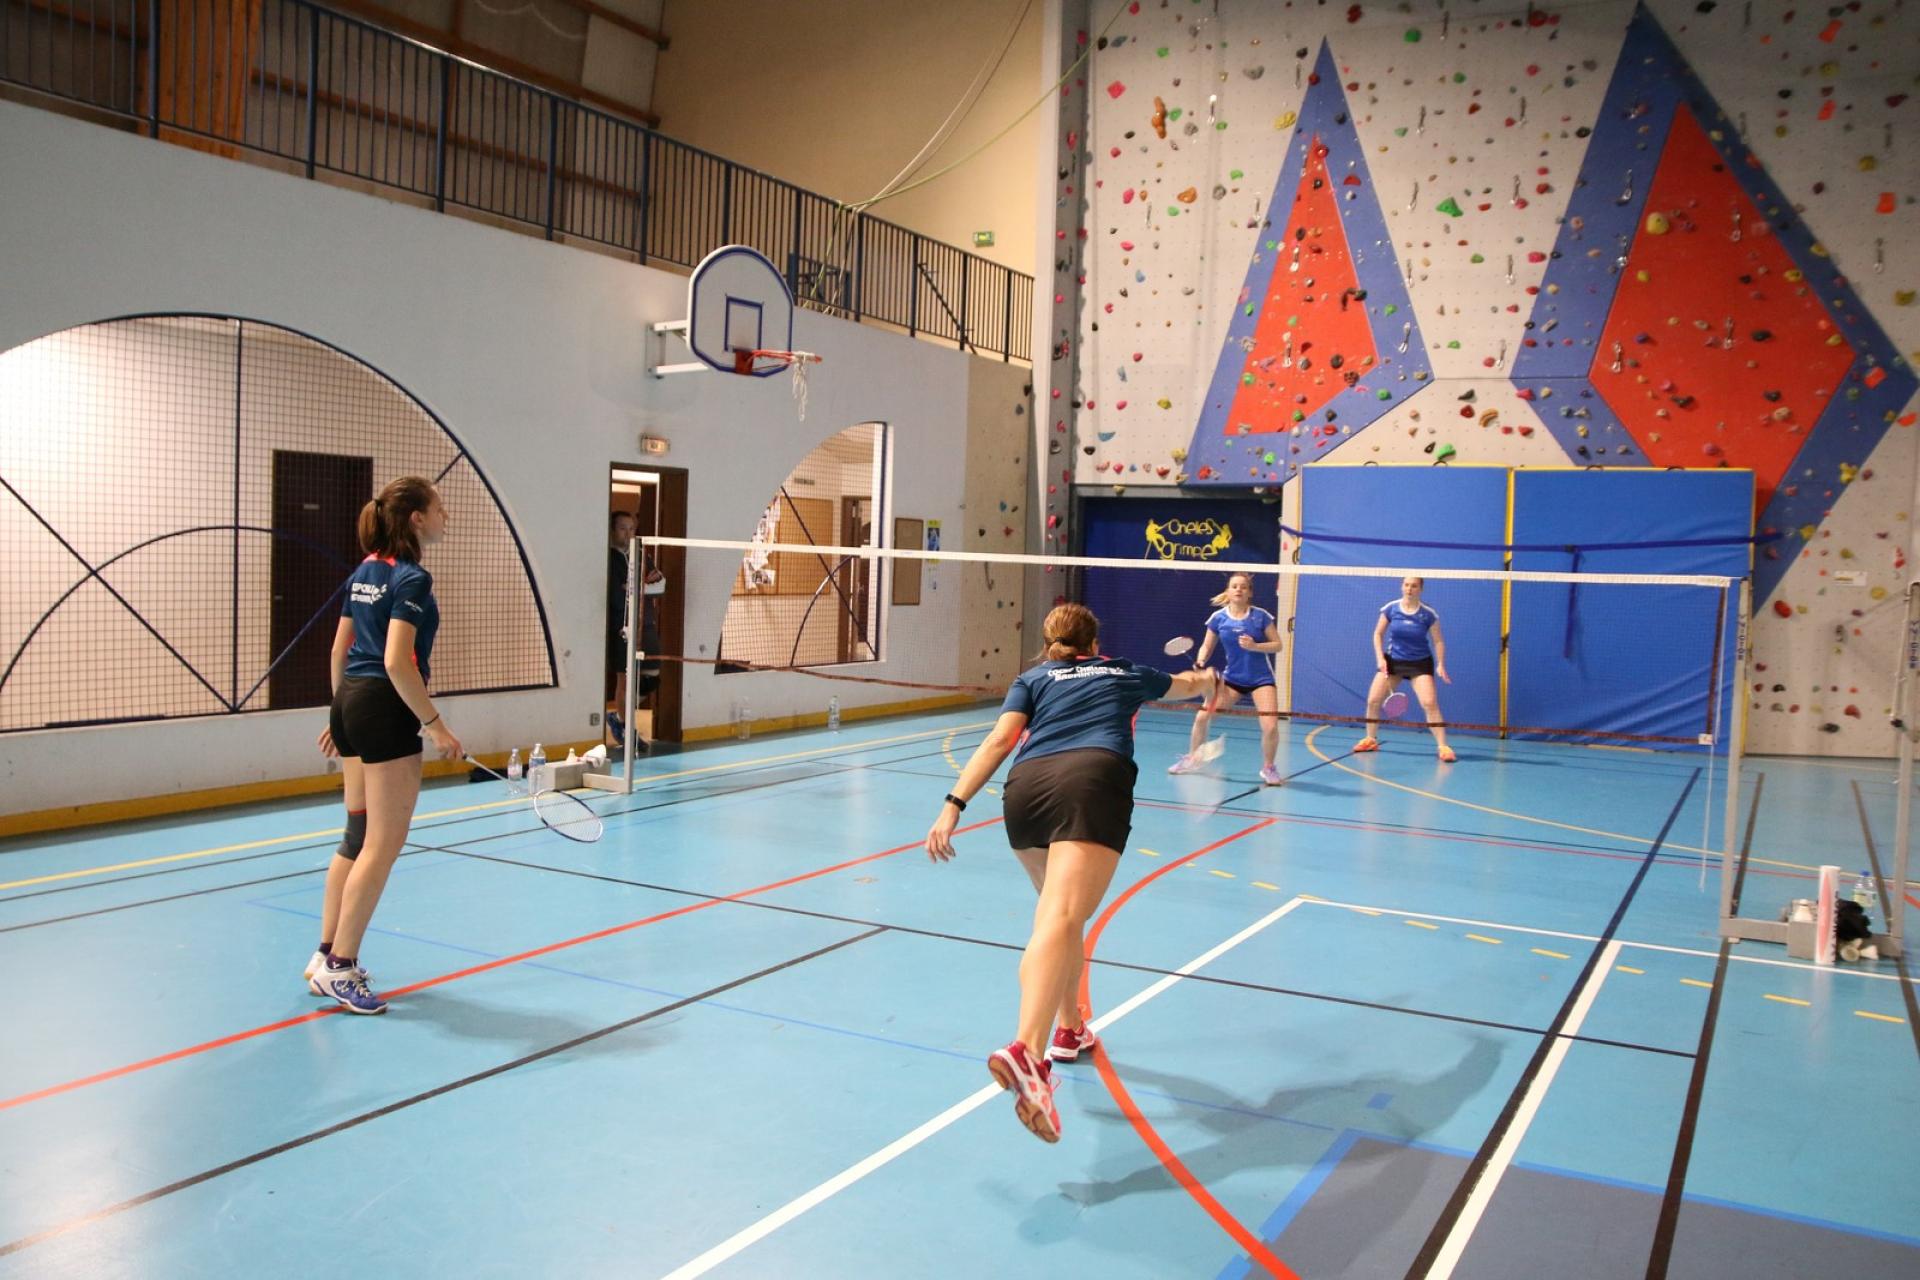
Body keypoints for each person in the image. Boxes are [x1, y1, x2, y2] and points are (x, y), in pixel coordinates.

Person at [925, 603, 1215, 1143]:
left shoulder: (1033, 678)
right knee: (1060, 917)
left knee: (1057, 920)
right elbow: (1185, 686)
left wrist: (953, 805)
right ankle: (1027, 1053)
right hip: (1090, 779)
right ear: (1094, 642)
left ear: (1049, 641)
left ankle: (1070, 1030)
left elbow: (999, 741)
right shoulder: (1124, 671)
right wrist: (1210, 680)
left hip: (1026, 791)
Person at [308, 476, 461, 1014]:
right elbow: (398, 661)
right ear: (417, 518)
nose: (445, 516)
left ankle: (324, 955)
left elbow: (339, 649)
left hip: (351, 699)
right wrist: (435, 724)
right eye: (439, 508)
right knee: (382, 845)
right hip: (383, 707)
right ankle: (341, 967)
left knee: (356, 836)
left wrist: (340, 713)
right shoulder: (412, 578)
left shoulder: (366, 569)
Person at [1167, 571, 1286, 785]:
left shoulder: (1261, 616)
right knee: (1202, 717)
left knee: (1270, 726)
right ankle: (1192, 759)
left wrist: (1255, 646)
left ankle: (1269, 768)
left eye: (1243, 587)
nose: (1239, 589)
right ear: (1228, 591)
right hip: (1232, 680)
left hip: (1261, 680)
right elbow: (1206, 646)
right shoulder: (1218, 618)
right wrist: (1201, 661)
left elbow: (1278, 645)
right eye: (1234, 586)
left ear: (1249, 593)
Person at [1354, 575, 1455, 762]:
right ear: (1402, 586)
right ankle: (1370, 739)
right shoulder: (1391, 608)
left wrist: (1441, 663)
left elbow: (1438, 641)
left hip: (1419, 663)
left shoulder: (1428, 614)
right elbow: (1378, 634)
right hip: (1393, 661)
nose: (1409, 589)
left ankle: (1443, 747)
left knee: (1429, 703)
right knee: (1373, 700)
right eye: (1406, 585)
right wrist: (1380, 658)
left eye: (1414, 586)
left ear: (1420, 589)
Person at [606, 510, 666, 752]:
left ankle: (618, 716)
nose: (628, 533)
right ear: (613, 530)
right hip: (622, 627)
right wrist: (639, 587)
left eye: (631, 528)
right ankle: (626, 728)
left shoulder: (641, 554)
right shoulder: (608, 557)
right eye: (623, 528)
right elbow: (616, 594)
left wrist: (634, 588)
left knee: (652, 673)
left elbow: (660, 584)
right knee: (625, 677)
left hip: (646, 623)